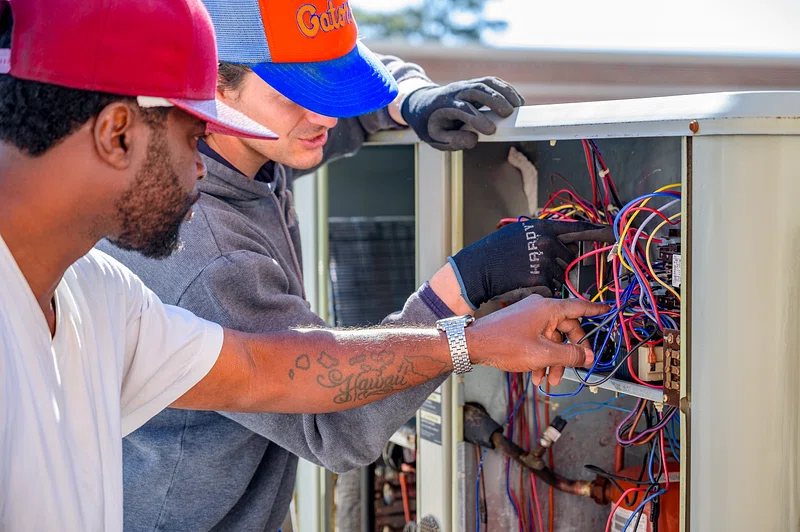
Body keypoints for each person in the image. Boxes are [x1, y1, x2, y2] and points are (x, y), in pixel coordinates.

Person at [0, 1, 609, 530]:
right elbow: (330, 423)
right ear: (118, 133)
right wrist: (464, 291)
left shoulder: (111, 294)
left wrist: (411, 102)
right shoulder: (198, 249)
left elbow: (265, 369)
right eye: (192, 134)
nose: (203, 162)